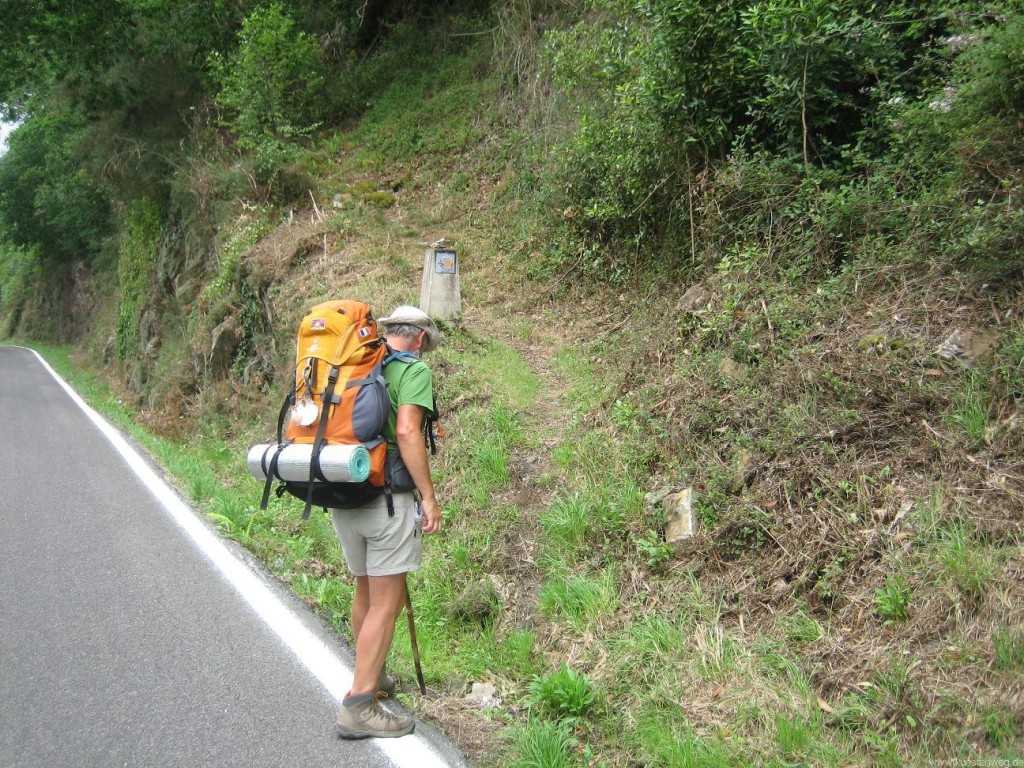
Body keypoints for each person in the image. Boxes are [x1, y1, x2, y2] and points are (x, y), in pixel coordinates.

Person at [333, 305, 443, 739]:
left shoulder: (358, 362)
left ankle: (372, 675)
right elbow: (407, 432)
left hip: (344, 492)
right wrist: (429, 497)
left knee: (366, 589)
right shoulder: (411, 371)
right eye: (425, 343)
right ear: (417, 338)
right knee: (387, 601)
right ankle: (359, 703)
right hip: (388, 501)